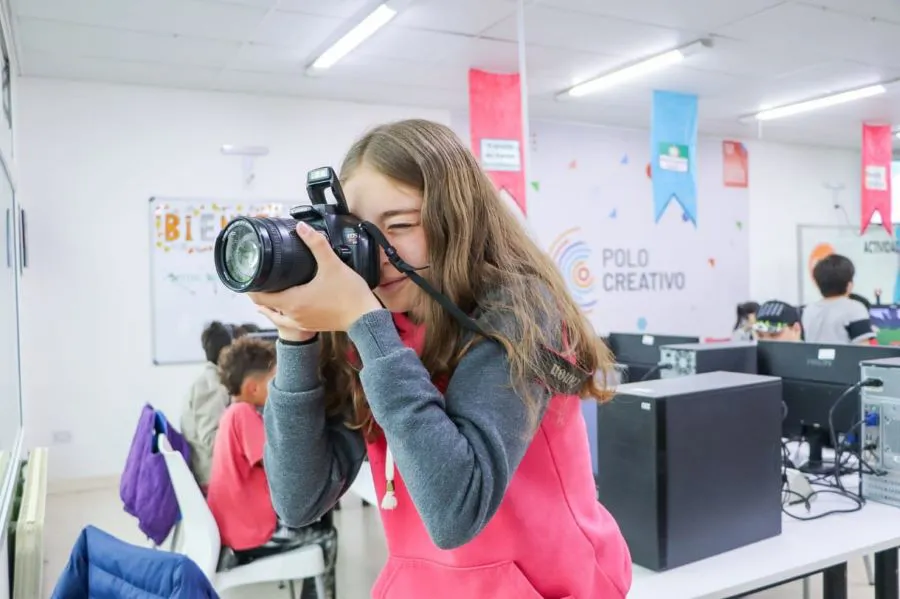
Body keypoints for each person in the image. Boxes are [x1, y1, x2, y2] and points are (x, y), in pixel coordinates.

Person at [249, 119, 631, 598]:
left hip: (551, 584)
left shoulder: (519, 311)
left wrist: (367, 326)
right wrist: (296, 340)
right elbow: (298, 501)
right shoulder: (377, 325)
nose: (376, 252)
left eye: (400, 226)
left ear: (458, 220)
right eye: (359, 232)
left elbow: (456, 512)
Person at [206, 336, 278, 550]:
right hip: (249, 531)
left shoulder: (231, 413)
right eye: (273, 380)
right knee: (322, 529)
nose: (278, 386)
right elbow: (275, 464)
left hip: (231, 527)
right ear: (253, 388)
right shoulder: (243, 414)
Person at [180, 321, 242, 489]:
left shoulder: (211, 381)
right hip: (211, 477)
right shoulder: (212, 386)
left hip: (211, 469)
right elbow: (210, 440)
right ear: (225, 352)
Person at [802, 254, 875, 344]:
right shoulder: (855, 308)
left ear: (817, 284)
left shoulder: (808, 310)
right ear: (849, 285)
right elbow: (863, 347)